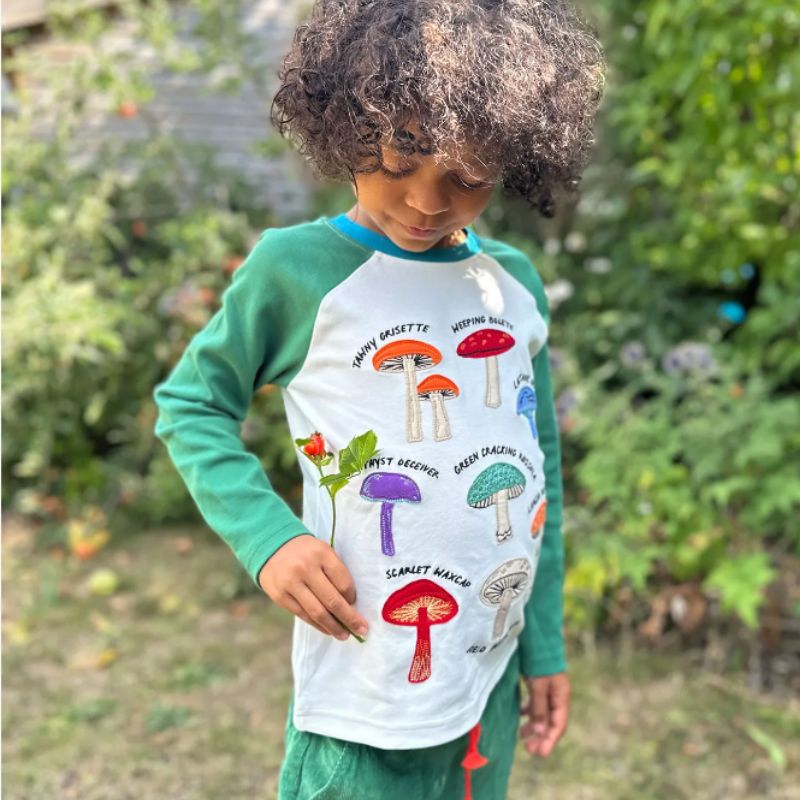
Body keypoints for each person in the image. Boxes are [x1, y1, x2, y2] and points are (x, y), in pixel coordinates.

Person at [153, 1, 605, 797]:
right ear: (350, 128)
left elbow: (543, 484)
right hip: (364, 698)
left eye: (469, 176)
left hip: (486, 686)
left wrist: (543, 647)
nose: (429, 201)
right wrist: (270, 541)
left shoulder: (514, 288)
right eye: (402, 158)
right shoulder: (297, 271)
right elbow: (191, 405)